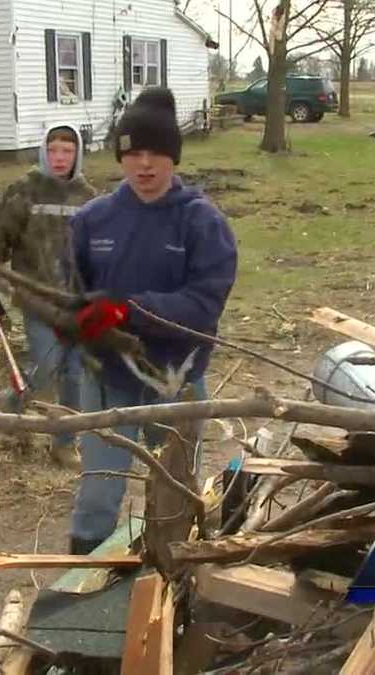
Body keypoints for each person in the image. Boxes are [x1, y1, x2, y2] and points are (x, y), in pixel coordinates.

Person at [64, 88, 238, 555]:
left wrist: (126, 309)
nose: (144, 165)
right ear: (121, 157)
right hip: (107, 383)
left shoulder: (201, 223)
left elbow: (204, 307)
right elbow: (69, 294)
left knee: (176, 494)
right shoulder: (93, 220)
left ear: (173, 158)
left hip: (176, 383)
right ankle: (83, 598)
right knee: (98, 496)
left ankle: (170, 587)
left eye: (156, 154)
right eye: (133, 153)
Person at [0, 125, 98, 469]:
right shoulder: (24, 190)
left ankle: (64, 443)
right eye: (54, 150)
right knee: (47, 366)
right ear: (43, 151)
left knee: (74, 374)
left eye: (67, 150)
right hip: (35, 299)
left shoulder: (87, 195)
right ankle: (15, 401)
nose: (60, 158)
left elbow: (97, 250)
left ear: (78, 153)